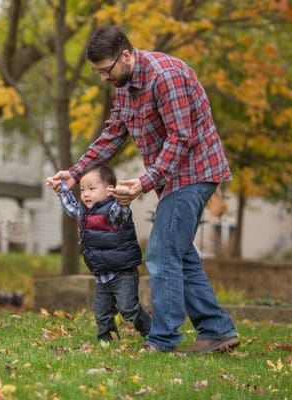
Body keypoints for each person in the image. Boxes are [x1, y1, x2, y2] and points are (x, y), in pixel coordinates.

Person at [46, 25, 239, 353]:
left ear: (126, 55)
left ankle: (163, 341)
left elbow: (181, 137)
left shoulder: (166, 76)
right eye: (98, 72)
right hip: (171, 176)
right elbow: (113, 134)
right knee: (180, 253)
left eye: (106, 70)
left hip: (195, 171)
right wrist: (75, 174)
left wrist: (145, 182)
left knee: (162, 253)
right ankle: (217, 329)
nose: (104, 78)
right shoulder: (125, 85)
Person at [52, 164, 151, 342]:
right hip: (102, 274)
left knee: (128, 308)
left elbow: (121, 215)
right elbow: (71, 207)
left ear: (109, 190)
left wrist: (122, 199)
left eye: (91, 189)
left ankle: (151, 331)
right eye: (82, 190)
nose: (86, 194)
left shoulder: (113, 209)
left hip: (123, 272)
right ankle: (107, 339)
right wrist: (63, 189)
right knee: (101, 312)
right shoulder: (84, 212)